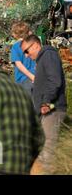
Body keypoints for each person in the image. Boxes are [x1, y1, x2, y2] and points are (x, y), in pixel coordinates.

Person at [21, 35, 68, 173]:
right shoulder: (43, 59)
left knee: (47, 154)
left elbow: (55, 81)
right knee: (43, 152)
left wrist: (45, 101)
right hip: (46, 111)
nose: (26, 55)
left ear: (35, 45)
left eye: (26, 51)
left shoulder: (48, 55)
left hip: (53, 110)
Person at [10, 22, 36, 94]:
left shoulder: (15, 47)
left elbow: (19, 65)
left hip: (23, 79)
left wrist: (30, 76)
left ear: (15, 34)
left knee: (26, 102)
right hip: (36, 76)